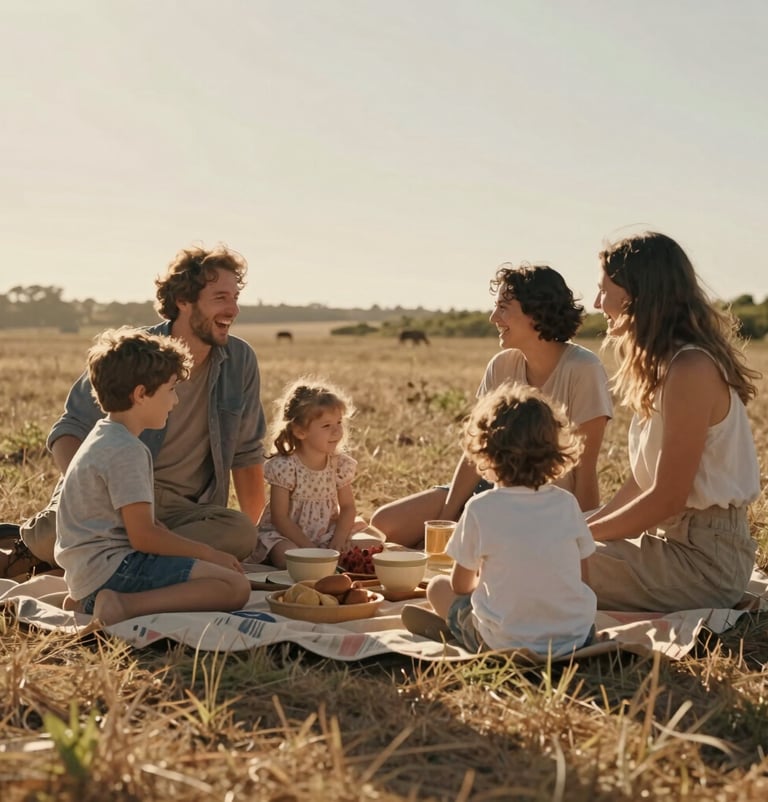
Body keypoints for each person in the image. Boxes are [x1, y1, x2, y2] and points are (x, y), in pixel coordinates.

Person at [8, 245, 267, 577]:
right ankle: (116, 553)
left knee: (240, 533)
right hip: (113, 494)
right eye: (220, 298)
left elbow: (246, 455)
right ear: (183, 301)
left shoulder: (240, 360)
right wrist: (89, 495)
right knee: (49, 537)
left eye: (235, 297)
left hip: (183, 510)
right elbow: (69, 429)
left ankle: (107, 559)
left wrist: (257, 538)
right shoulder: (134, 353)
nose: (233, 309)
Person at [371, 263, 613, 546]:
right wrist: (449, 521)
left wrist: (581, 541)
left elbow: (585, 468)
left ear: (535, 312)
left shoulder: (583, 369)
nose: (492, 317)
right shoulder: (501, 365)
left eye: (503, 307)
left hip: (546, 507)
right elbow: (476, 452)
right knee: (384, 525)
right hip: (492, 492)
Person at [584, 231, 762, 612]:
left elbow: (667, 498)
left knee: (539, 562)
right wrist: (582, 526)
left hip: (702, 562)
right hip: (671, 541)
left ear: (633, 293)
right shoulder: (666, 367)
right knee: (541, 538)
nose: (598, 302)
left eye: (603, 290)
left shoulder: (691, 368)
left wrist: (576, 537)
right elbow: (641, 484)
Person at [56, 328, 251, 625]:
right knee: (235, 587)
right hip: (115, 569)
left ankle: (92, 598)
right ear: (141, 394)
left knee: (208, 571)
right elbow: (144, 537)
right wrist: (209, 554)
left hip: (89, 572)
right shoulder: (126, 450)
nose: (175, 402)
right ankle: (122, 605)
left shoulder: (103, 435)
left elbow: (142, 525)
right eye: (171, 389)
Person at [403, 384, 597, 655]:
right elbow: (584, 580)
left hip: (504, 642)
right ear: (555, 451)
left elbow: (460, 585)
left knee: (438, 587)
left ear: (486, 452)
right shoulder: (567, 503)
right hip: (576, 637)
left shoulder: (480, 508)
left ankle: (458, 632)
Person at [248, 377, 367, 569]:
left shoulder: (338, 464)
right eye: (327, 426)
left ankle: (331, 563)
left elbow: (347, 508)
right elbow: (280, 518)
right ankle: (315, 564)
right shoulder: (285, 467)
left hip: (327, 531)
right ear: (300, 431)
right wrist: (310, 549)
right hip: (290, 536)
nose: (337, 431)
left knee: (371, 543)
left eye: (339, 422)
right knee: (288, 557)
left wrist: (339, 539)